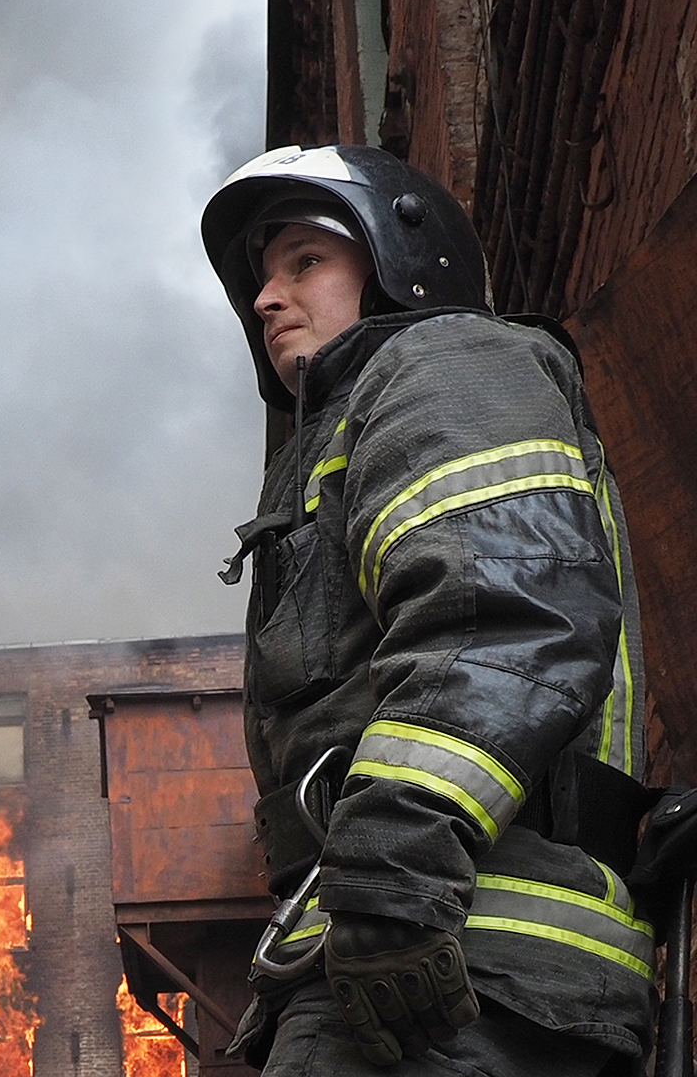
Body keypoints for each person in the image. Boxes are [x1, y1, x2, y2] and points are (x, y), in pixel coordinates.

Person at [201, 144, 654, 1075]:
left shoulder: (445, 362)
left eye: (305, 260)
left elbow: (506, 622)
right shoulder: (342, 433)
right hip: (397, 953)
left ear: (400, 257)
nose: (265, 299)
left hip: (462, 962)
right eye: (263, 275)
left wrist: (394, 862)